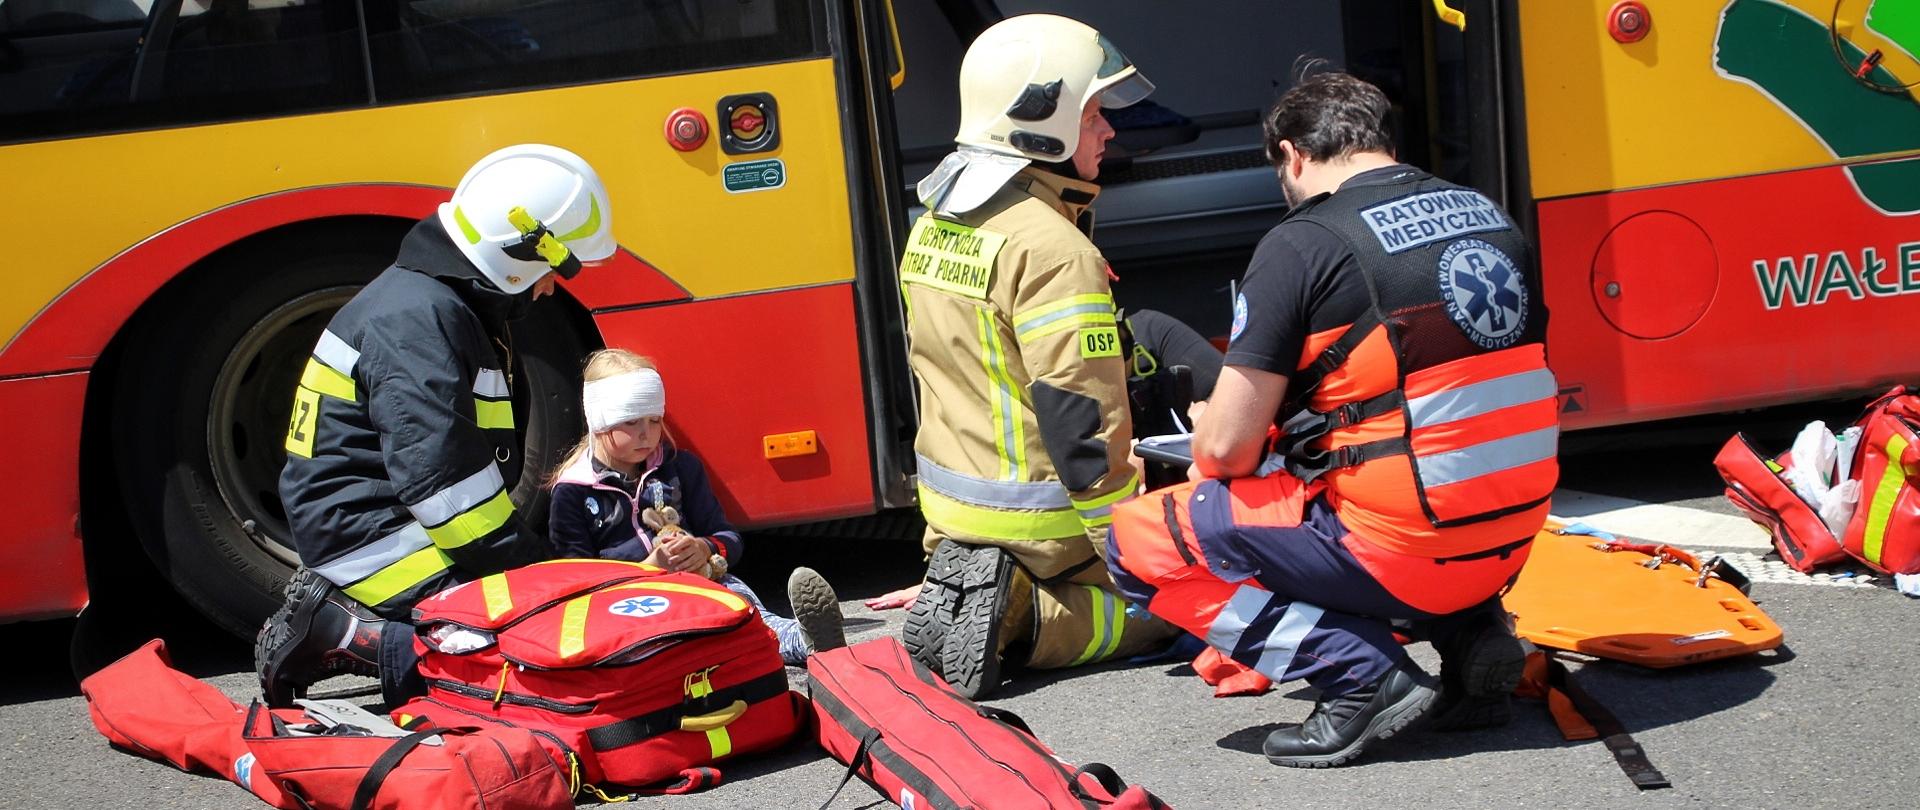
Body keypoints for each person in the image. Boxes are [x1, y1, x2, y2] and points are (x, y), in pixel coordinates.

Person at [1107, 71, 1558, 767]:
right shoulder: (1490, 216)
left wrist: (1210, 430)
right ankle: (1474, 634)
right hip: (1512, 540)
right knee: (1399, 457)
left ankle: (1358, 675)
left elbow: (1226, 449)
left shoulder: (1305, 243)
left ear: (1292, 155)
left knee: (1144, 542)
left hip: (1403, 551)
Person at [258, 144, 620, 707]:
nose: (551, 288)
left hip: (404, 520)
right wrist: (536, 577)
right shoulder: (418, 320)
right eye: (551, 271)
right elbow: (445, 487)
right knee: (521, 661)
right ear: (516, 258)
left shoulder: (441, 304)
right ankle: (341, 630)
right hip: (374, 539)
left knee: (558, 631)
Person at [895, 13, 1176, 699]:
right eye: (1093, 115)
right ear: (1039, 123)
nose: (1109, 130)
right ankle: (1024, 621)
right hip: (1046, 522)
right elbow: (1080, 415)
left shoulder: (935, 224)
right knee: (1179, 609)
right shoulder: (1053, 249)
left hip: (952, 512)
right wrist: (1126, 549)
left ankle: (980, 589)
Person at [545, 348, 846, 665]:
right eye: (631, 422)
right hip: (631, 606)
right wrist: (647, 569)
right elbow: (576, 584)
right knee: (687, 646)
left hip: (700, 583)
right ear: (599, 421)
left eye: (655, 420)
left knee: (742, 608)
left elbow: (728, 538)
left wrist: (703, 548)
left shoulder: (681, 468)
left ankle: (805, 639)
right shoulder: (573, 492)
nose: (646, 434)